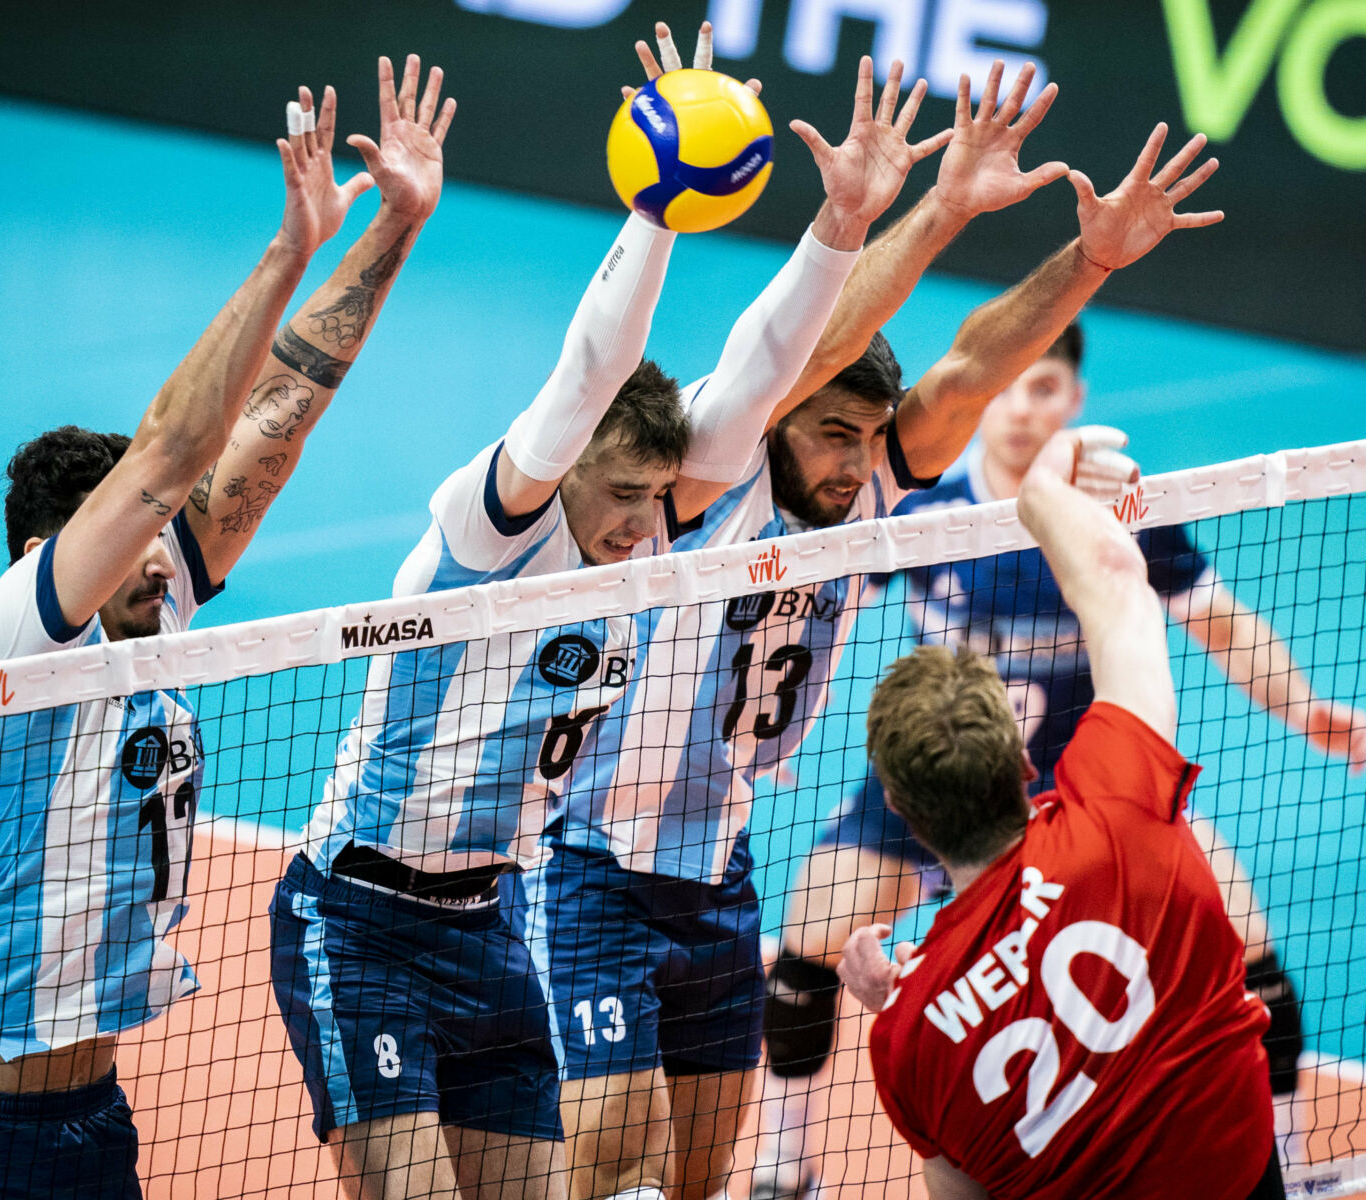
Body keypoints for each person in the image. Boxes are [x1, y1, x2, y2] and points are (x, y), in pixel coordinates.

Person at [535, 48, 1225, 1200]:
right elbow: (800, 349)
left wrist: (1092, 259)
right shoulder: (708, 486)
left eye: (868, 438)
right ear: (777, 424)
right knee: (612, 1153)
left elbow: (967, 371)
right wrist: (934, 208)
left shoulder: (869, 497)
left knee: (697, 1175)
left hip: (719, 872)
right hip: (598, 866)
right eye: (831, 434)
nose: (857, 461)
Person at [268, 22, 929, 1199]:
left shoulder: (654, 537)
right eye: (619, 494)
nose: (639, 523)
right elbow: (586, 373)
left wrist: (840, 225)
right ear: (564, 467)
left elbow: (760, 370)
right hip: (361, 912)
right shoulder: (493, 532)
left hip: (489, 916)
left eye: (652, 498)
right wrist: (656, 213)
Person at [0, 62, 443, 1200]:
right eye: (127, 535)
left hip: (93, 1116)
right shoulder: (15, 635)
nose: (155, 556)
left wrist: (394, 226)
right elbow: (170, 453)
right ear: (44, 552)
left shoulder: (157, 601)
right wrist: (289, 248)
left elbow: (281, 410)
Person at [756, 322, 1366, 1192]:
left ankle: (1293, 1160)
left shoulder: (1116, 515)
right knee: (810, 935)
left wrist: (1303, 707)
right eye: (1009, 385)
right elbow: (823, 605)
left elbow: (1219, 621)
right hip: (941, 778)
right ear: (984, 394)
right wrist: (776, 724)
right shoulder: (922, 510)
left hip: (1083, 793)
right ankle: (782, 1167)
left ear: (1075, 400)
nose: (1021, 408)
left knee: (1249, 948)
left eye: (1044, 389)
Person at [842, 426, 1285, 1200]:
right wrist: (1043, 489)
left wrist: (908, 1003)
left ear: (899, 810)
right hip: (1240, 1179)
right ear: (1023, 762)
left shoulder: (906, 1038)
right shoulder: (1121, 808)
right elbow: (1115, 586)